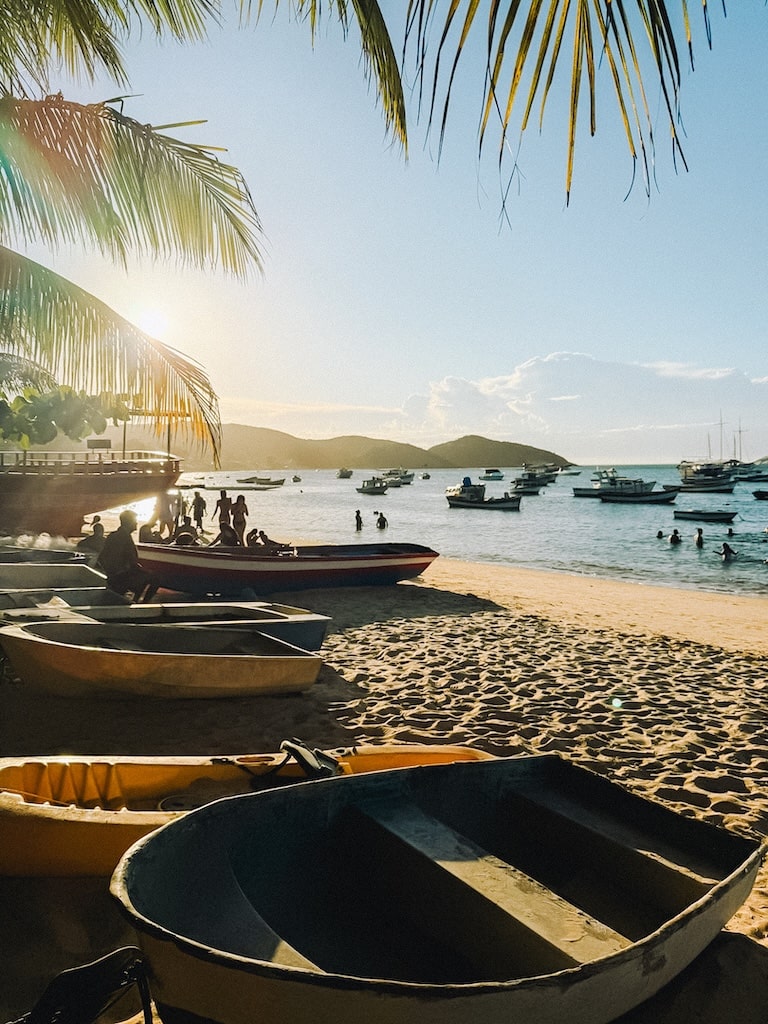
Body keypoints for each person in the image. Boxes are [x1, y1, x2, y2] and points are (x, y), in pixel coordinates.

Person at [97, 509, 158, 601]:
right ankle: (140, 602)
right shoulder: (125, 537)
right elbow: (132, 562)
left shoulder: (113, 535)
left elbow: (101, 557)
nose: (136, 523)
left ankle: (136, 599)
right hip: (120, 577)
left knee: (143, 574)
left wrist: (109, 571)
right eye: (135, 521)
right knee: (156, 579)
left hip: (113, 575)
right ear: (129, 523)